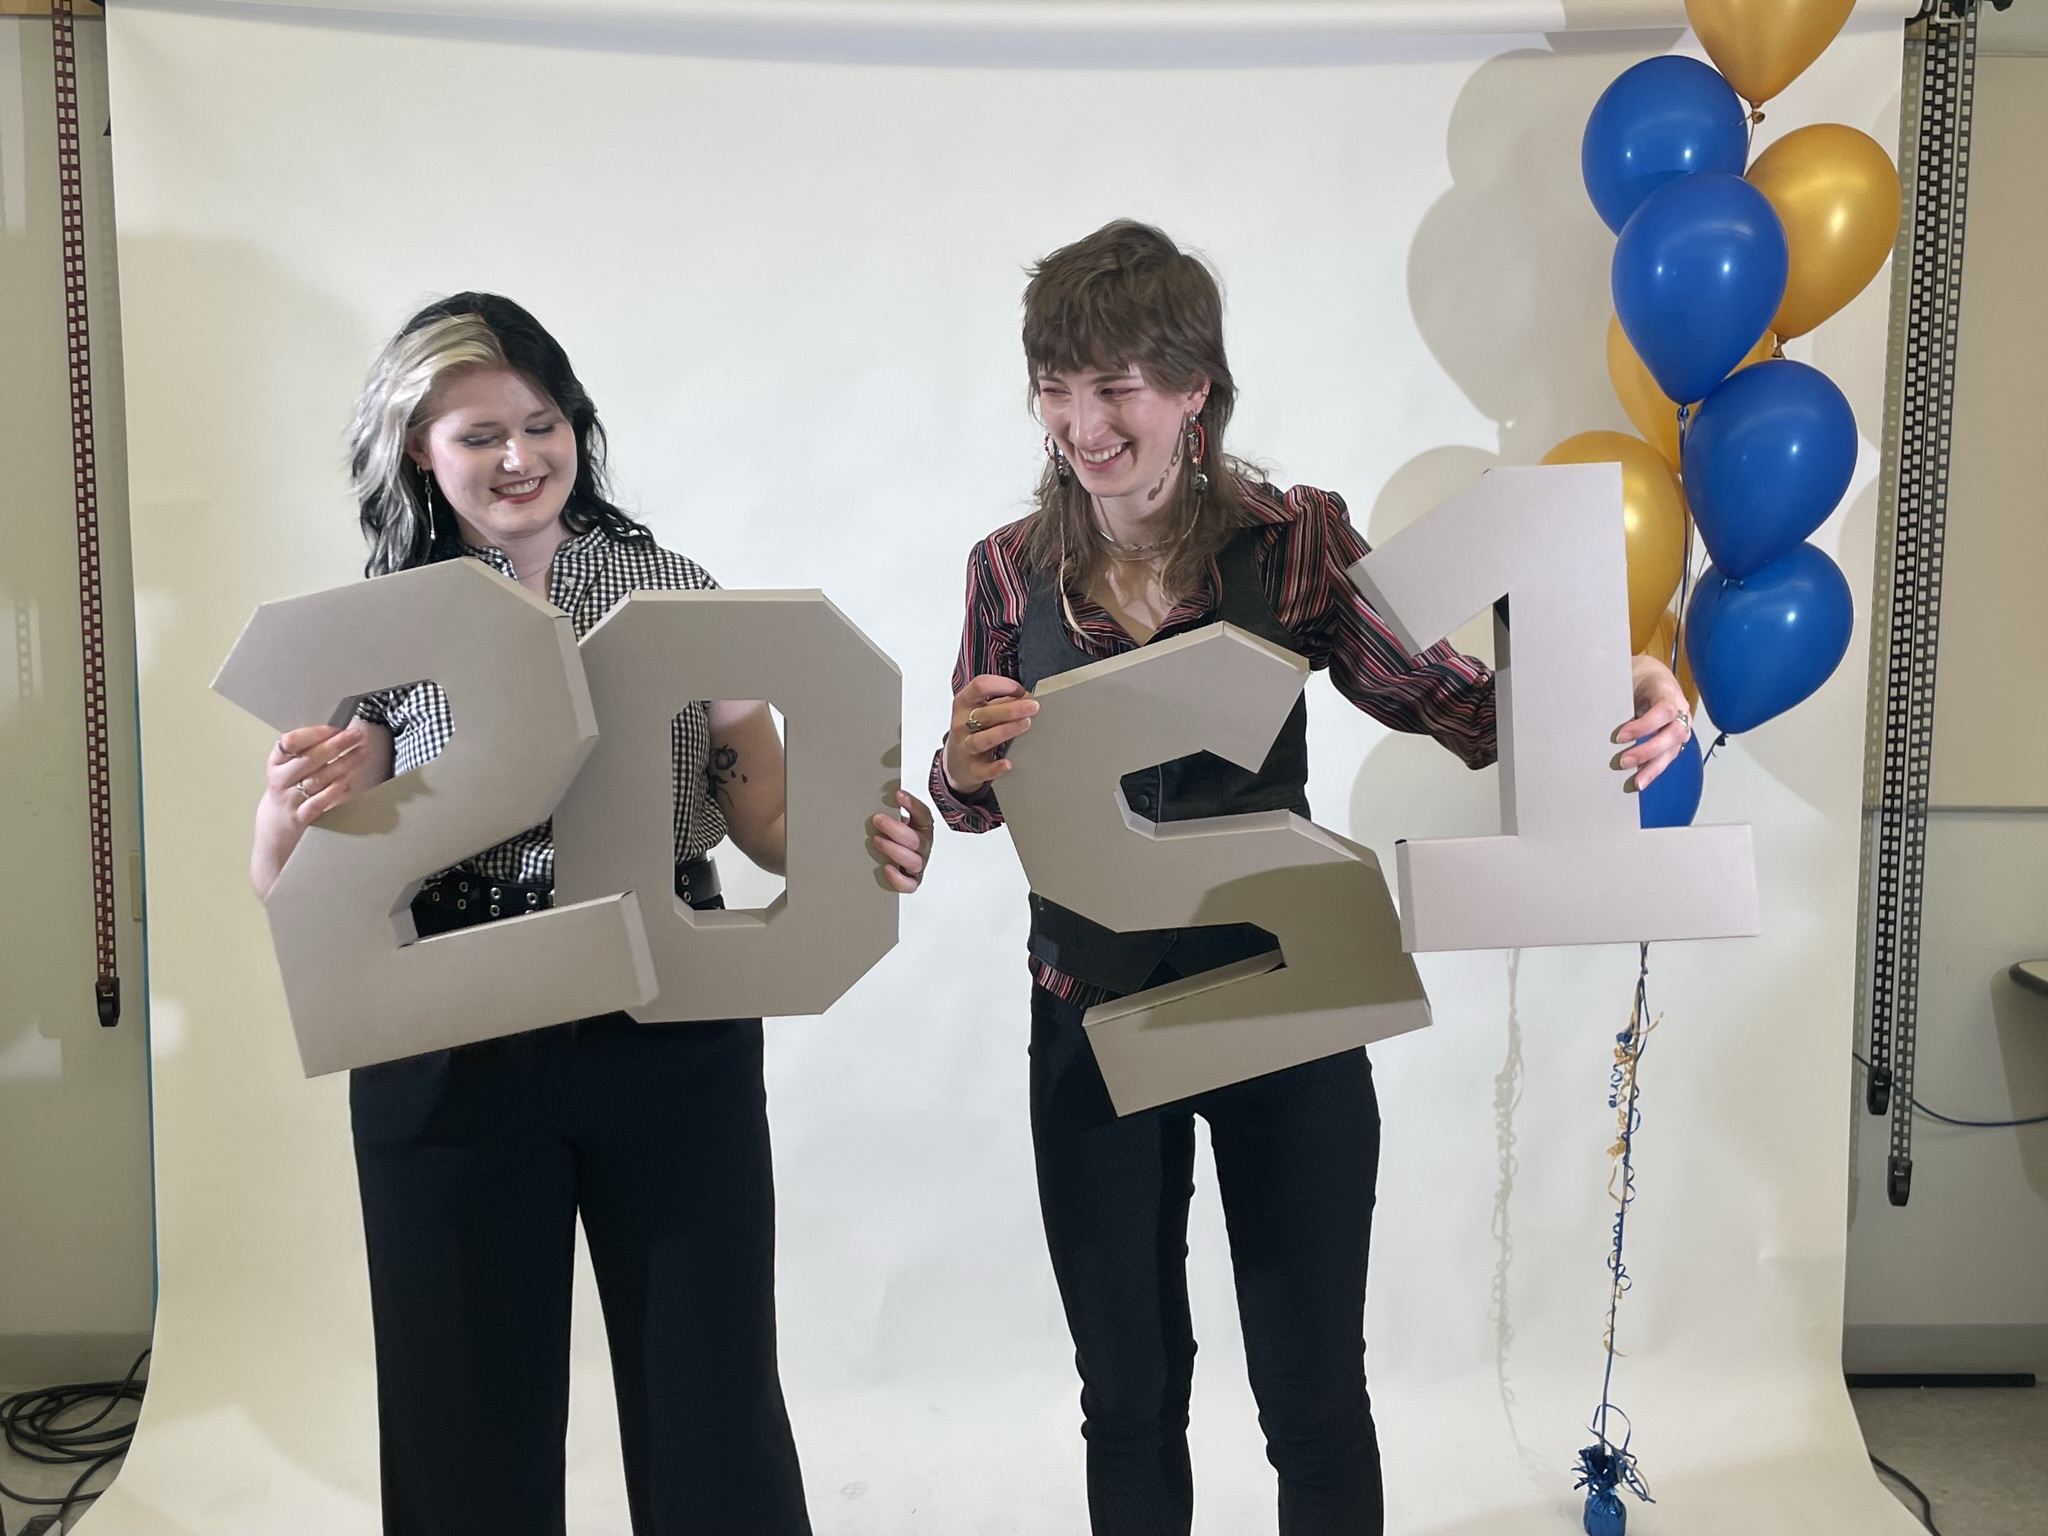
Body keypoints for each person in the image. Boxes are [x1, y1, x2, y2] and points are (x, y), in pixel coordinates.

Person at [929, 221, 1690, 1536]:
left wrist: (1602, 688)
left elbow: (1450, 707)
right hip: (1091, 1014)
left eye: (1114, 387)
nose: (1079, 422)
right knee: (1127, 1391)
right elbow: (974, 805)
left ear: (1194, 390)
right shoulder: (1008, 568)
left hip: (1282, 1005)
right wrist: (958, 766)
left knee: (1310, 1392)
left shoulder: (1295, 542)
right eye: (1056, 386)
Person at [249, 293, 934, 1536]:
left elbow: (763, 803)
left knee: (708, 1394)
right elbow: (285, 884)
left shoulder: (667, 586)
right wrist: (301, 802)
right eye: (477, 435)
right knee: (462, 1415)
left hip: (663, 1019)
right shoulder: (378, 623)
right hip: (449, 1034)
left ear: (576, 425)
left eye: (541, 421)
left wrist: (860, 844)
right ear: (416, 449)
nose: (519, 457)